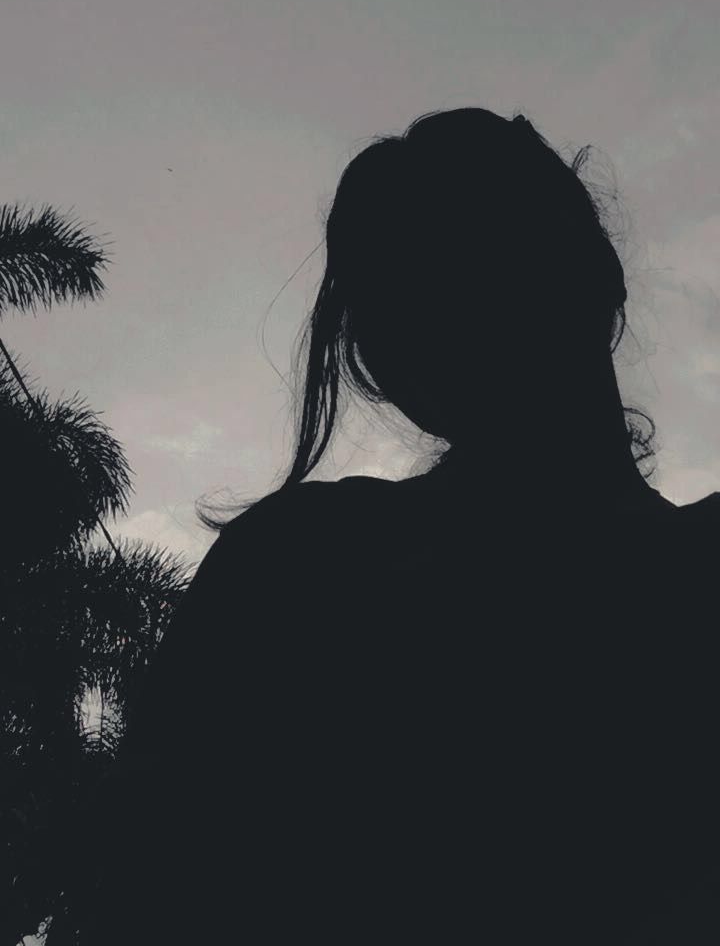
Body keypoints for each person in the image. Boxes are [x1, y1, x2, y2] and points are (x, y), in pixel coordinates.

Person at [62, 108, 720, 944]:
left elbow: (143, 886)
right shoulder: (300, 569)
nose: (486, 310)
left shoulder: (301, 570)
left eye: (499, 262)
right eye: (439, 283)